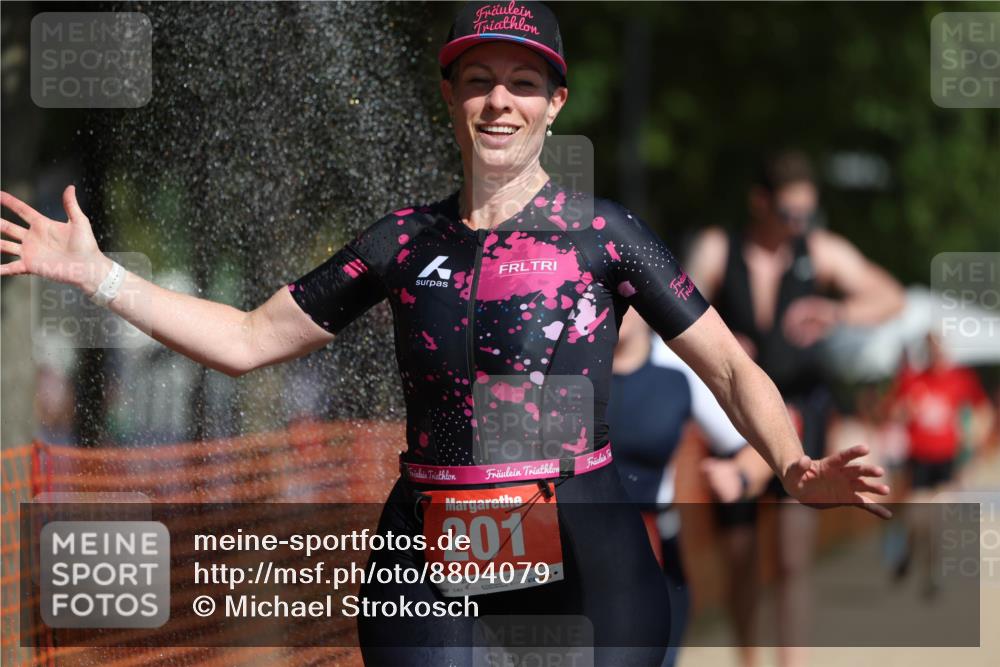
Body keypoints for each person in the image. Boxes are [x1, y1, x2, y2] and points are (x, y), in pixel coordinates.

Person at [1, 4, 891, 664]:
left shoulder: (606, 236)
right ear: (452, 98)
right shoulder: (397, 242)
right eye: (479, 81)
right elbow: (244, 338)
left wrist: (793, 464)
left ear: (554, 104)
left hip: (585, 534)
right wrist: (99, 274)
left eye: (524, 83)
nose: (500, 101)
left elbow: (731, 366)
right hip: (427, 537)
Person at [686, 149, 905, 667]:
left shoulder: (821, 251)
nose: (799, 224)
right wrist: (714, 332)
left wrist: (837, 310)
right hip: (735, 419)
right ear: (760, 203)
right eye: (789, 213)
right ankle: (748, 658)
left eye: (807, 213)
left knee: (792, 559)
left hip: (803, 414)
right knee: (739, 560)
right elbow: (674, 309)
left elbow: (891, 295)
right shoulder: (720, 248)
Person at [609, 307, 772, 667]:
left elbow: (757, 452)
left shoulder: (678, 364)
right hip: (565, 551)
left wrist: (739, 476)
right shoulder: (556, 357)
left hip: (652, 553)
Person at [888, 333, 993, 596]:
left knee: (937, 520)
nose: (936, 353)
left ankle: (931, 574)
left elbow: (984, 410)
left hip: (947, 460)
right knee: (916, 517)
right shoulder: (912, 379)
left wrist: (975, 441)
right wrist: (904, 412)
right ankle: (909, 553)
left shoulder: (961, 378)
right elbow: (891, 412)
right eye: (931, 347)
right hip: (919, 459)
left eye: (940, 347)